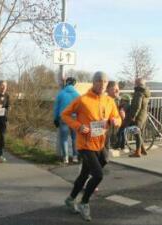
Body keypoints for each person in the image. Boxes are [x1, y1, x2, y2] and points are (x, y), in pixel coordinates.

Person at [62, 72, 121, 221]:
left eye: (105, 82)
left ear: (107, 84)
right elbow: (65, 114)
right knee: (98, 174)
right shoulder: (83, 100)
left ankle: (70, 199)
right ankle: (84, 202)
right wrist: (78, 126)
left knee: (84, 175)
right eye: (99, 81)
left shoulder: (109, 101)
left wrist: (116, 121)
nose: (102, 84)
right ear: (93, 83)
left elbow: (117, 118)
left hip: (100, 143)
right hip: (85, 144)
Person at [53, 77, 80, 164]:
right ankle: (75, 157)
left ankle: (66, 158)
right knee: (75, 138)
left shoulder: (61, 94)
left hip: (63, 118)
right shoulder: (77, 95)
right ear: (74, 84)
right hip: (75, 118)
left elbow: (56, 108)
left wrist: (55, 119)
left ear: (66, 83)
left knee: (64, 139)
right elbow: (81, 109)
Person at [127, 78, 151, 157]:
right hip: (143, 114)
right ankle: (143, 150)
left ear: (137, 84)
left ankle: (138, 152)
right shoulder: (146, 92)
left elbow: (137, 106)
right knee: (138, 133)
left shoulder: (139, 92)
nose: (134, 84)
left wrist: (133, 116)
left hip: (138, 115)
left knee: (136, 133)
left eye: (135, 83)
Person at [104, 81, 121, 160]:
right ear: (107, 90)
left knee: (105, 150)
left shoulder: (116, 100)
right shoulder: (104, 100)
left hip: (109, 130)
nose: (117, 91)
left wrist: (117, 120)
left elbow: (118, 117)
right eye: (115, 89)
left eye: (118, 89)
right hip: (101, 131)